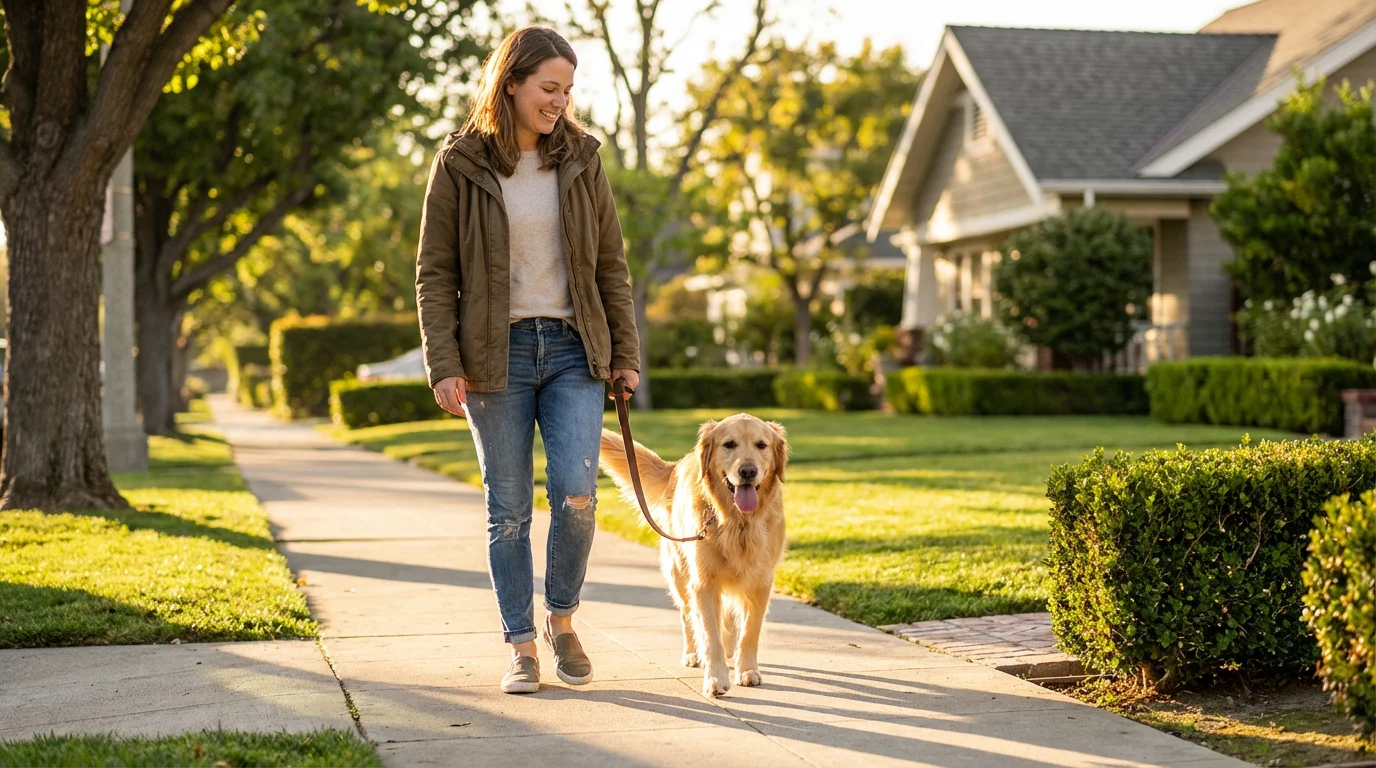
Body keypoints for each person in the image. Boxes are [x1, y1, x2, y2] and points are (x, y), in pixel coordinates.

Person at [415, 26, 640, 695]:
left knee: (577, 495)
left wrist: (624, 354)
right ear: (509, 82)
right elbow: (433, 272)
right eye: (548, 88)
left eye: (567, 91)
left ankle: (561, 620)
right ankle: (519, 645)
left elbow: (611, 266)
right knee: (508, 509)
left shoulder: (581, 158)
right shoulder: (460, 164)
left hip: (574, 348)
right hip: (493, 354)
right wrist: (443, 361)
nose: (559, 103)